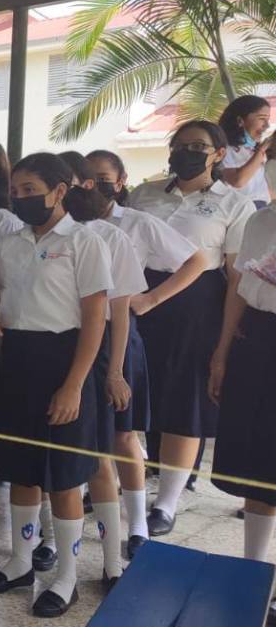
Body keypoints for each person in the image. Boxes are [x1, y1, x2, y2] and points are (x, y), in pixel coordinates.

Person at [0, 152, 111, 618]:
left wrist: (74, 385)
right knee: (20, 468)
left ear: (60, 191)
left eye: (31, 189)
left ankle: (67, 577)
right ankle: (20, 561)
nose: (21, 198)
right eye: (16, 190)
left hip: (64, 359)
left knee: (64, 477)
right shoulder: (10, 241)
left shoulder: (84, 241)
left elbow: (96, 318)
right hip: (16, 360)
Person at [128, 120, 255, 538]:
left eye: (197, 146)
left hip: (198, 304)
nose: (186, 151)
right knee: (131, 390)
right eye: (179, 145)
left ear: (219, 153)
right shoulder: (144, 195)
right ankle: (124, 480)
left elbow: (235, 276)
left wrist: (225, 340)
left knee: (185, 401)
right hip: (139, 295)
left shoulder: (233, 204)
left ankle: (166, 502)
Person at [85, 149, 209, 558]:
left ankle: (137, 524)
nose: (93, 185)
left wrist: (151, 299)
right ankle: (61, 533)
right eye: (85, 178)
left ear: (121, 182)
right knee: (81, 436)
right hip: (74, 335)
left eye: (103, 178)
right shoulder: (67, 225)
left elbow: (196, 260)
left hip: (118, 335)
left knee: (123, 434)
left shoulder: (136, 223)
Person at [61, 151, 150, 588]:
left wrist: (115, 371)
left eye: (84, 182)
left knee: (101, 455)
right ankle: (54, 551)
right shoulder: (37, 235)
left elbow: (120, 312)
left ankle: (114, 557)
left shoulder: (110, 237)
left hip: (98, 357)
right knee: (58, 462)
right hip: (55, 353)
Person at [209, 203, 276, 625]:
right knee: (259, 461)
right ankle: (254, 575)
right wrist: (222, 353)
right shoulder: (262, 219)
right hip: (259, 338)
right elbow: (239, 285)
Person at [218, 95, 272, 208]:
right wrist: (261, 151)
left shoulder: (255, 150)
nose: (267, 126)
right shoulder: (223, 150)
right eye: (262, 119)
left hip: (264, 208)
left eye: (268, 120)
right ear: (240, 121)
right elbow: (238, 181)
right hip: (240, 210)